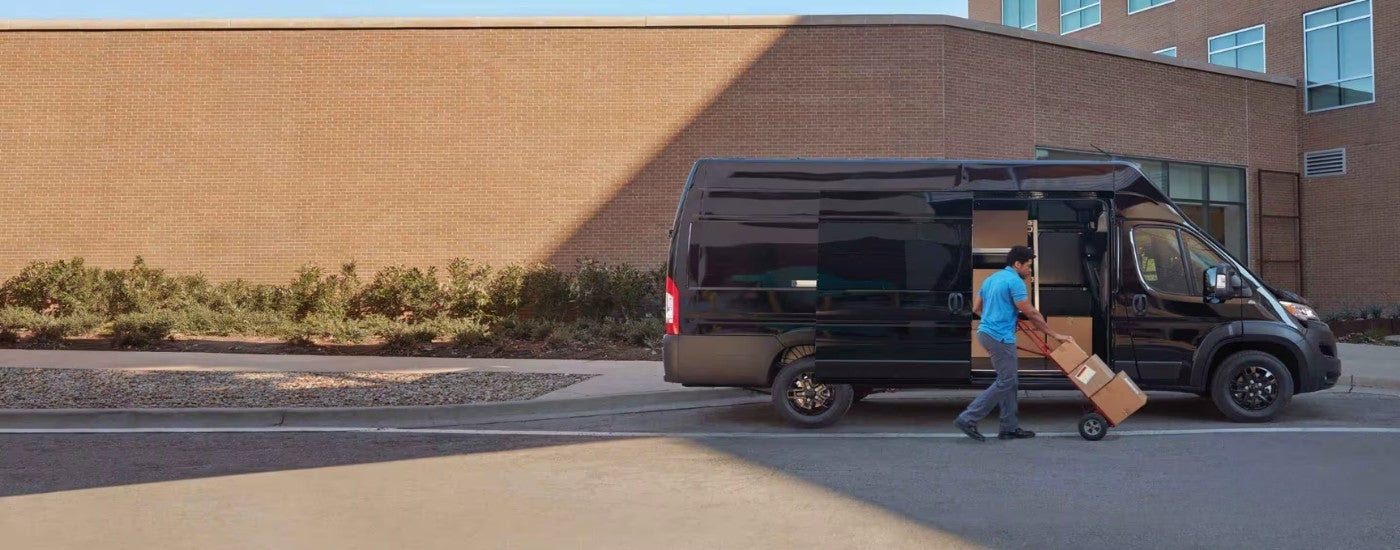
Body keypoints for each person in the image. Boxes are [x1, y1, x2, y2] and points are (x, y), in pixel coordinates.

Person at [954, 245, 1073, 442]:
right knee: (1006, 381)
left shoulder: (991, 279)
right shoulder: (1015, 282)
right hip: (1000, 337)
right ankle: (968, 418)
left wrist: (994, 318)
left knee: (1010, 380)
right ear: (1017, 264)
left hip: (986, 333)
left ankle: (1008, 428)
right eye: (1028, 266)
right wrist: (1055, 335)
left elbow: (976, 308)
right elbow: (1031, 312)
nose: (1029, 270)